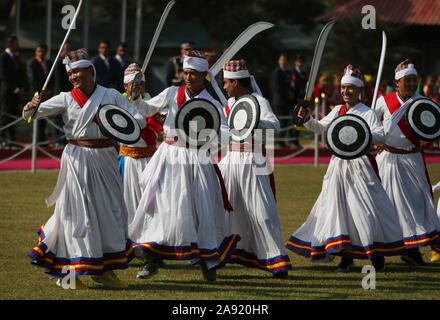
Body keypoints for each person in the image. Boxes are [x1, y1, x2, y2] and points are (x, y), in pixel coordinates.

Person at [23, 48, 147, 289]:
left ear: (91, 70)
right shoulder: (65, 98)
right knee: (78, 215)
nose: (73, 77)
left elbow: (138, 119)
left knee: (108, 212)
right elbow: (30, 115)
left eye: (77, 71)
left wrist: (117, 121)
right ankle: (69, 274)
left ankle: (104, 270)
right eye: (70, 74)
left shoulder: (111, 95)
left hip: (107, 159)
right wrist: (32, 104)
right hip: (77, 159)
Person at [127, 50, 238, 282]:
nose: (188, 77)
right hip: (169, 157)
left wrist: (211, 135)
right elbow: (148, 110)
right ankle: (152, 258)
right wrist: (137, 98)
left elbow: (226, 133)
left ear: (203, 75)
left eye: (193, 74)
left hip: (198, 159)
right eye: (186, 73)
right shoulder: (170, 93)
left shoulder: (213, 104)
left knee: (202, 209)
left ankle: (207, 261)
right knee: (159, 207)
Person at [286, 65, 407, 272]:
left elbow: (381, 136)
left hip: (361, 167)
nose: (345, 92)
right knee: (337, 209)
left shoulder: (367, 113)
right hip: (338, 166)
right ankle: (345, 256)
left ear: (359, 90)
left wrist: (361, 134)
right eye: (343, 88)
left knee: (366, 210)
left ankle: (376, 254)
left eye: (350, 88)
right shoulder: (337, 110)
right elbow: (321, 128)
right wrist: (307, 119)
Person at [219, 59, 292, 278]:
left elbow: (275, 127)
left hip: (253, 159)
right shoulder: (228, 104)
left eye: (226, 83)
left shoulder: (259, 101)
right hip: (230, 159)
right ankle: (220, 253)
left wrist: (254, 121)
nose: (223, 87)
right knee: (223, 208)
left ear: (235, 82)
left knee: (262, 212)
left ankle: (275, 259)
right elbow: (222, 130)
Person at [375, 59, 440, 266]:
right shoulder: (383, 102)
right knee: (386, 206)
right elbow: (370, 126)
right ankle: (381, 251)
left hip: (413, 160)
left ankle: (412, 251)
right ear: (398, 83)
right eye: (408, 80)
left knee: (417, 206)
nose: (412, 84)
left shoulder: (423, 103)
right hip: (389, 161)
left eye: (415, 80)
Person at [118, 63, 164, 233]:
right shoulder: (118, 102)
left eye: (141, 84)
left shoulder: (151, 102)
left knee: (151, 204)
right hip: (128, 161)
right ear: (125, 85)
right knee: (128, 203)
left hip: (149, 161)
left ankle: (151, 245)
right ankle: (130, 244)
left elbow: (154, 126)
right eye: (134, 84)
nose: (139, 87)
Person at [27, 43, 55, 146]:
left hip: (47, 95)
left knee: (44, 118)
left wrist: (49, 90)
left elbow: (53, 78)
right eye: (39, 51)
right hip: (36, 95)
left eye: (43, 51)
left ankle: (42, 141)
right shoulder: (32, 63)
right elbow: (32, 80)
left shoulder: (49, 63)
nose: (41, 53)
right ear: (36, 51)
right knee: (35, 118)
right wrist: (40, 93)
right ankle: (35, 140)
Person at [0, 35, 25, 148]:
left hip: (16, 93)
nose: (18, 46)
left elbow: (19, 75)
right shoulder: (3, 57)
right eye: (16, 44)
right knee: (6, 116)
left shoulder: (16, 58)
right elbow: (4, 76)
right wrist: (14, 89)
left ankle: (12, 140)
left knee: (13, 116)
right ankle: (3, 139)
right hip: (8, 93)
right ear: (10, 45)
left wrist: (20, 87)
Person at [52, 42, 72, 147]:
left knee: (65, 117)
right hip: (60, 93)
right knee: (58, 118)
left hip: (67, 93)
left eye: (69, 49)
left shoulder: (69, 62)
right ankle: (57, 139)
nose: (68, 52)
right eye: (66, 49)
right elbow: (60, 80)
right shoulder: (59, 62)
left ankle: (63, 138)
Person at [271, 54, 294, 148]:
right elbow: (277, 86)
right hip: (279, 100)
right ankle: (278, 141)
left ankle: (281, 141)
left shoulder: (288, 72)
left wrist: (291, 93)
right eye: (282, 60)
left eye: (285, 60)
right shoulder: (277, 72)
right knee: (280, 121)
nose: (283, 62)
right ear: (279, 61)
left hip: (287, 101)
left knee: (286, 122)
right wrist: (287, 93)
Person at [290, 54, 307, 148]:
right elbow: (292, 85)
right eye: (299, 61)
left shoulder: (304, 73)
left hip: (301, 100)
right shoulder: (293, 72)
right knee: (293, 120)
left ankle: (296, 140)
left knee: (300, 120)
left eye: (302, 61)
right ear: (296, 62)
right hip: (294, 100)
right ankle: (292, 140)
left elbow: (305, 86)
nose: (300, 63)